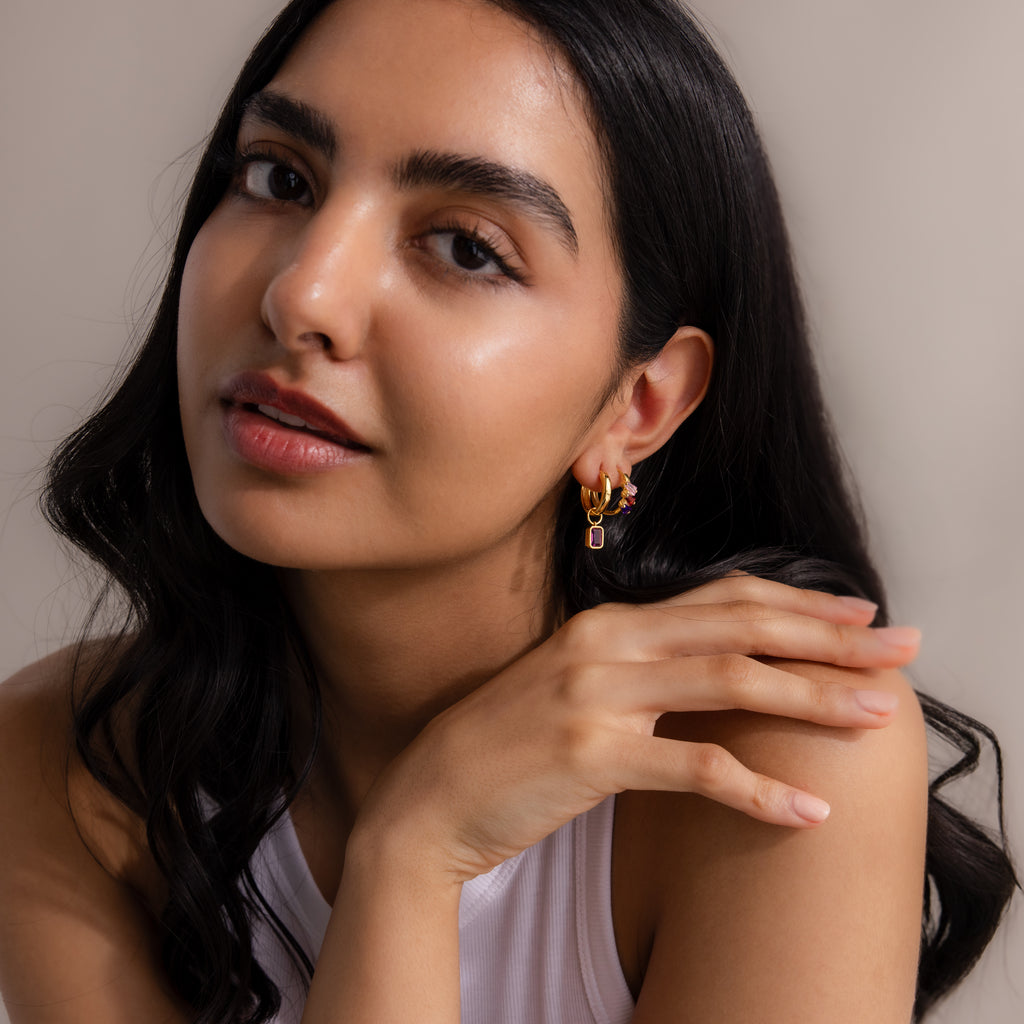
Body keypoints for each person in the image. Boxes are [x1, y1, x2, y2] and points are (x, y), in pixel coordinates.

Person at [0, 0, 1015, 1021]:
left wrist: (410, 847)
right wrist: (415, 848)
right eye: (279, 177)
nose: (301, 293)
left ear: (639, 404)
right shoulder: (60, 762)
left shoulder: (770, 757)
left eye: (466, 247)